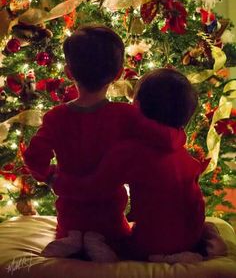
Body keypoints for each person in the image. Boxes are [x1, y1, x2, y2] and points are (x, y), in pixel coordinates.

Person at [24, 26, 185, 260]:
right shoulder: (125, 115)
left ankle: (73, 240)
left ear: (69, 72)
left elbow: (33, 157)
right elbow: (163, 138)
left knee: (71, 232)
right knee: (117, 239)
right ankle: (98, 245)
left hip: (70, 217)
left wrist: (51, 177)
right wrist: (180, 135)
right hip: (109, 219)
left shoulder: (56, 117)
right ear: (118, 74)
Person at [60, 68, 212, 261]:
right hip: (192, 237)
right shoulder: (178, 146)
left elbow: (95, 187)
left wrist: (58, 180)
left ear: (136, 106)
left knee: (95, 239)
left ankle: (156, 257)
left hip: (151, 243)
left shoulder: (131, 150)